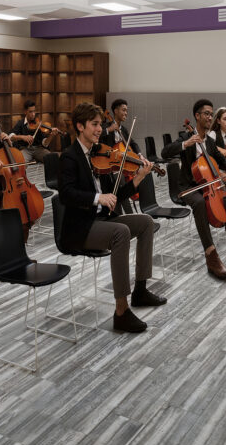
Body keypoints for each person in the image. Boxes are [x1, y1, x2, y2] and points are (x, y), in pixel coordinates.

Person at [59, 102, 166, 333]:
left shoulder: (101, 155)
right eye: (95, 124)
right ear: (80, 126)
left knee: (146, 222)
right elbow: (66, 194)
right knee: (122, 232)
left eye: (100, 124)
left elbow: (116, 195)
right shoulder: (69, 157)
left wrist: (138, 177)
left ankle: (140, 290)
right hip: (80, 228)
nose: (100, 129)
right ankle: (121, 311)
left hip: (103, 220)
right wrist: (98, 198)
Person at [161, 99, 226, 281]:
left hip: (209, 183)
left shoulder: (209, 141)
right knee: (198, 203)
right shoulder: (186, 136)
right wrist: (186, 144)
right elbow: (165, 152)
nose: (209, 117)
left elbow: (221, 158)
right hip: (189, 186)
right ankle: (211, 254)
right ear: (197, 116)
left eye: (211, 114)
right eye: (206, 113)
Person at [9, 99, 51, 163]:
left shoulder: (38, 123)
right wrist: (22, 137)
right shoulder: (21, 123)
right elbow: (10, 136)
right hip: (26, 149)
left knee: (51, 158)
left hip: (38, 149)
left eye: (34, 111)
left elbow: (44, 144)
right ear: (25, 112)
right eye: (30, 112)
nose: (33, 114)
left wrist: (51, 136)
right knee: (20, 162)